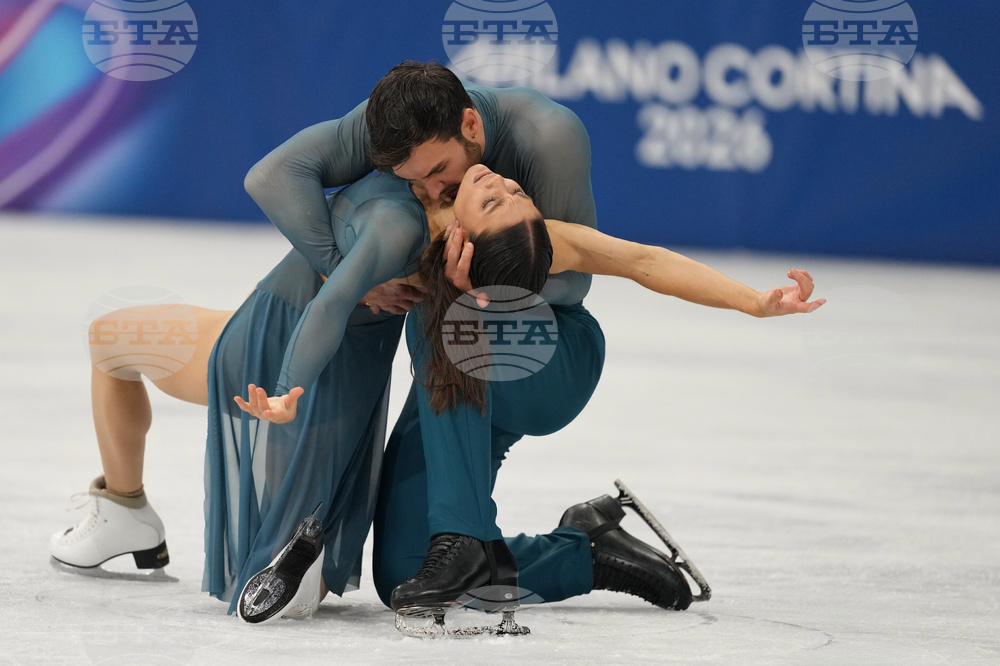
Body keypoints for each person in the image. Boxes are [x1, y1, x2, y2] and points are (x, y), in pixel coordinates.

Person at [50, 172, 429, 622]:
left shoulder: (401, 198)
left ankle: (123, 508)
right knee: (301, 500)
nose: (496, 186)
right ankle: (304, 573)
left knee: (107, 337)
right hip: (348, 368)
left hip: (271, 336)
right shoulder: (449, 211)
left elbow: (274, 173)